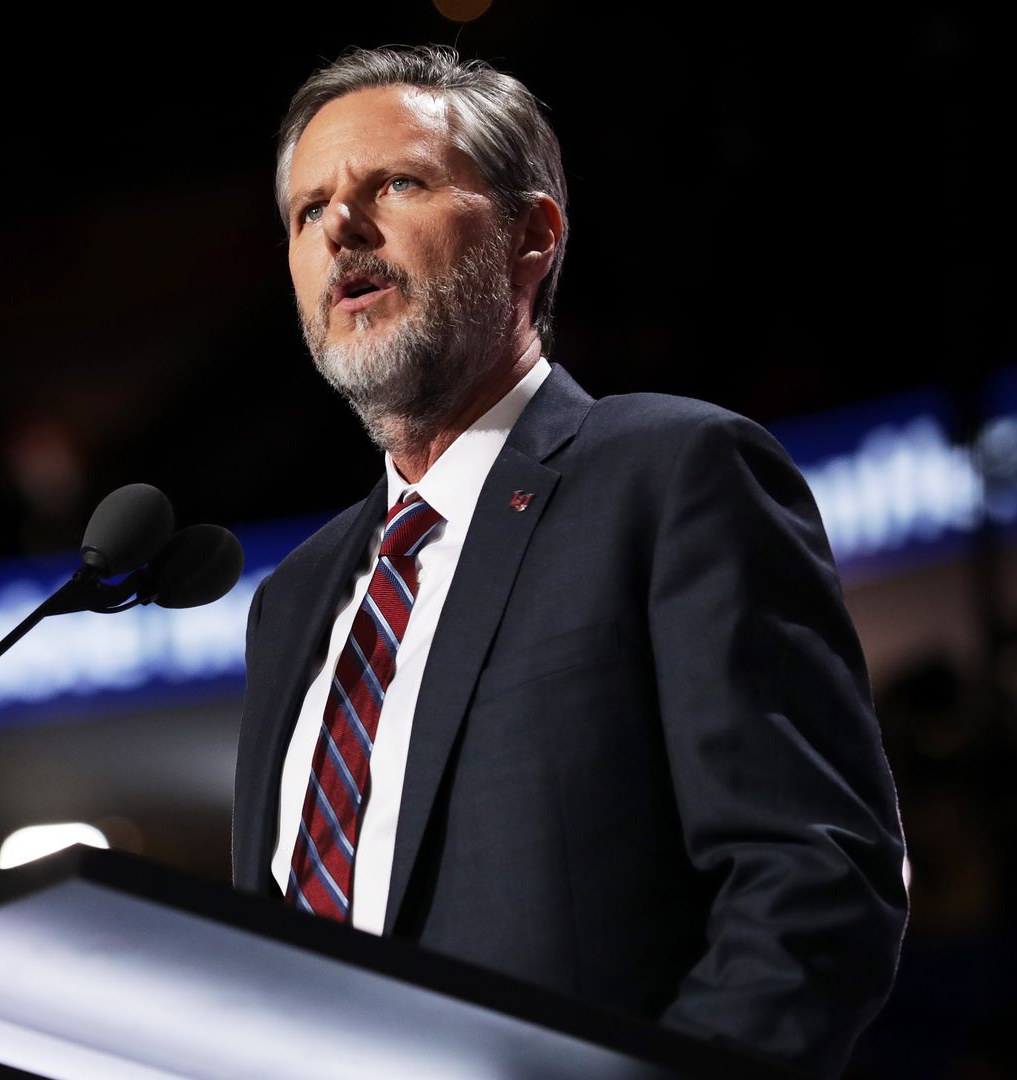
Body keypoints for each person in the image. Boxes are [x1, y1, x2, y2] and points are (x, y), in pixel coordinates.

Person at [231, 45, 908, 1079]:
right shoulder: (293, 602)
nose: (341, 231)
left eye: (396, 184)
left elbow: (812, 881)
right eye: (306, 211)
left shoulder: (670, 475)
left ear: (532, 236)